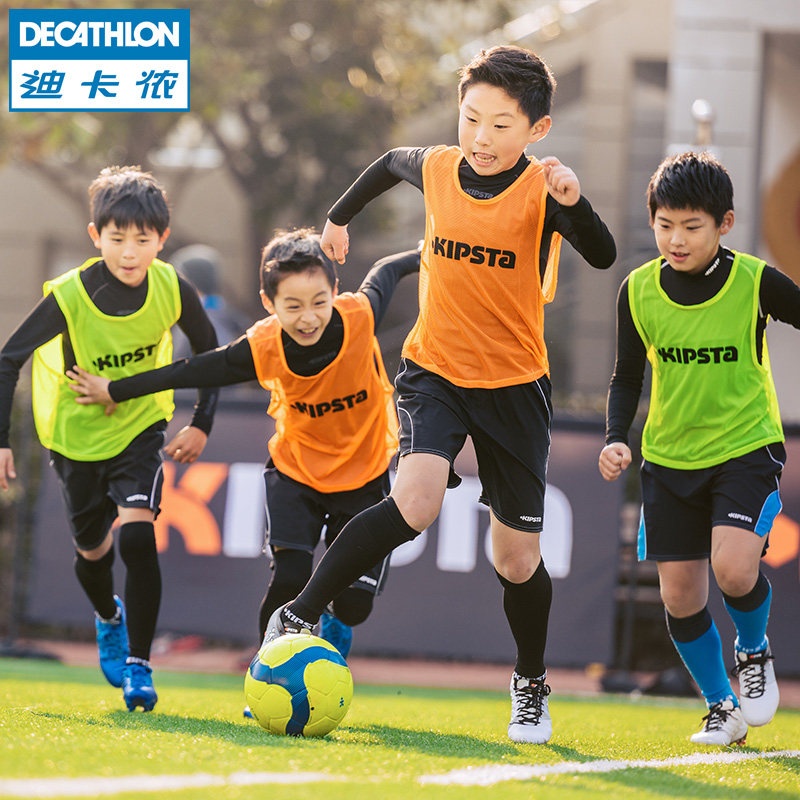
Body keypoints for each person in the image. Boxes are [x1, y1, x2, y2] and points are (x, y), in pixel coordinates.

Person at [260, 45, 616, 745]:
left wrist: (575, 203)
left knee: (515, 560)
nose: (481, 137)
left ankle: (530, 682)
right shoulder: (438, 167)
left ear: (538, 130)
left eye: (501, 125)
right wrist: (337, 218)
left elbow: (602, 255)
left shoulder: (543, 189)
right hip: (435, 371)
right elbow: (389, 161)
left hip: (515, 387)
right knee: (415, 502)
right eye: (471, 118)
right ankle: (298, 613)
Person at [69, 228, 420, 675]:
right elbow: (190, 370)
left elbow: (388, 268)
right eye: (292, 306)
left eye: (318, 302)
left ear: (335, 291)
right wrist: (115, 389)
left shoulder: (359, 315)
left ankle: (335, 620)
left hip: (365, 475)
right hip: (295, 472)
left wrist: (429, 250)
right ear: (269, 303)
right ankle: (266, 676)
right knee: (290, 579)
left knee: (354, 606)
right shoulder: (263, 345)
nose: (308, 318)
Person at [0, 165, 220, 711]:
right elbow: (8, 359)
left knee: (138, 538)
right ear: (95, 236)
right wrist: (1, 441)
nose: (129, 252)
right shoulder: (71, 295)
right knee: (93, 553)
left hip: (140, 427)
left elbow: (211, 354)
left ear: (162, 239)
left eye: (142, 240)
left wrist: (201, 422)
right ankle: (107, 616)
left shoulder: (172, 287)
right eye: (117, 238)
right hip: (75, 439)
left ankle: (140, 665)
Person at [599, 151, 792, 745]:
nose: (676, 240)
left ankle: (753, 651)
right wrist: (615, 438)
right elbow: (626, 377)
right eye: (665, 225)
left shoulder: (754, 281)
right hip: (669, 459)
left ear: (724, 223)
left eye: (691, 226)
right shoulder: (637, 291)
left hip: (745, 447)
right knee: (680, 596)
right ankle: (721, 707)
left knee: (733, 569)